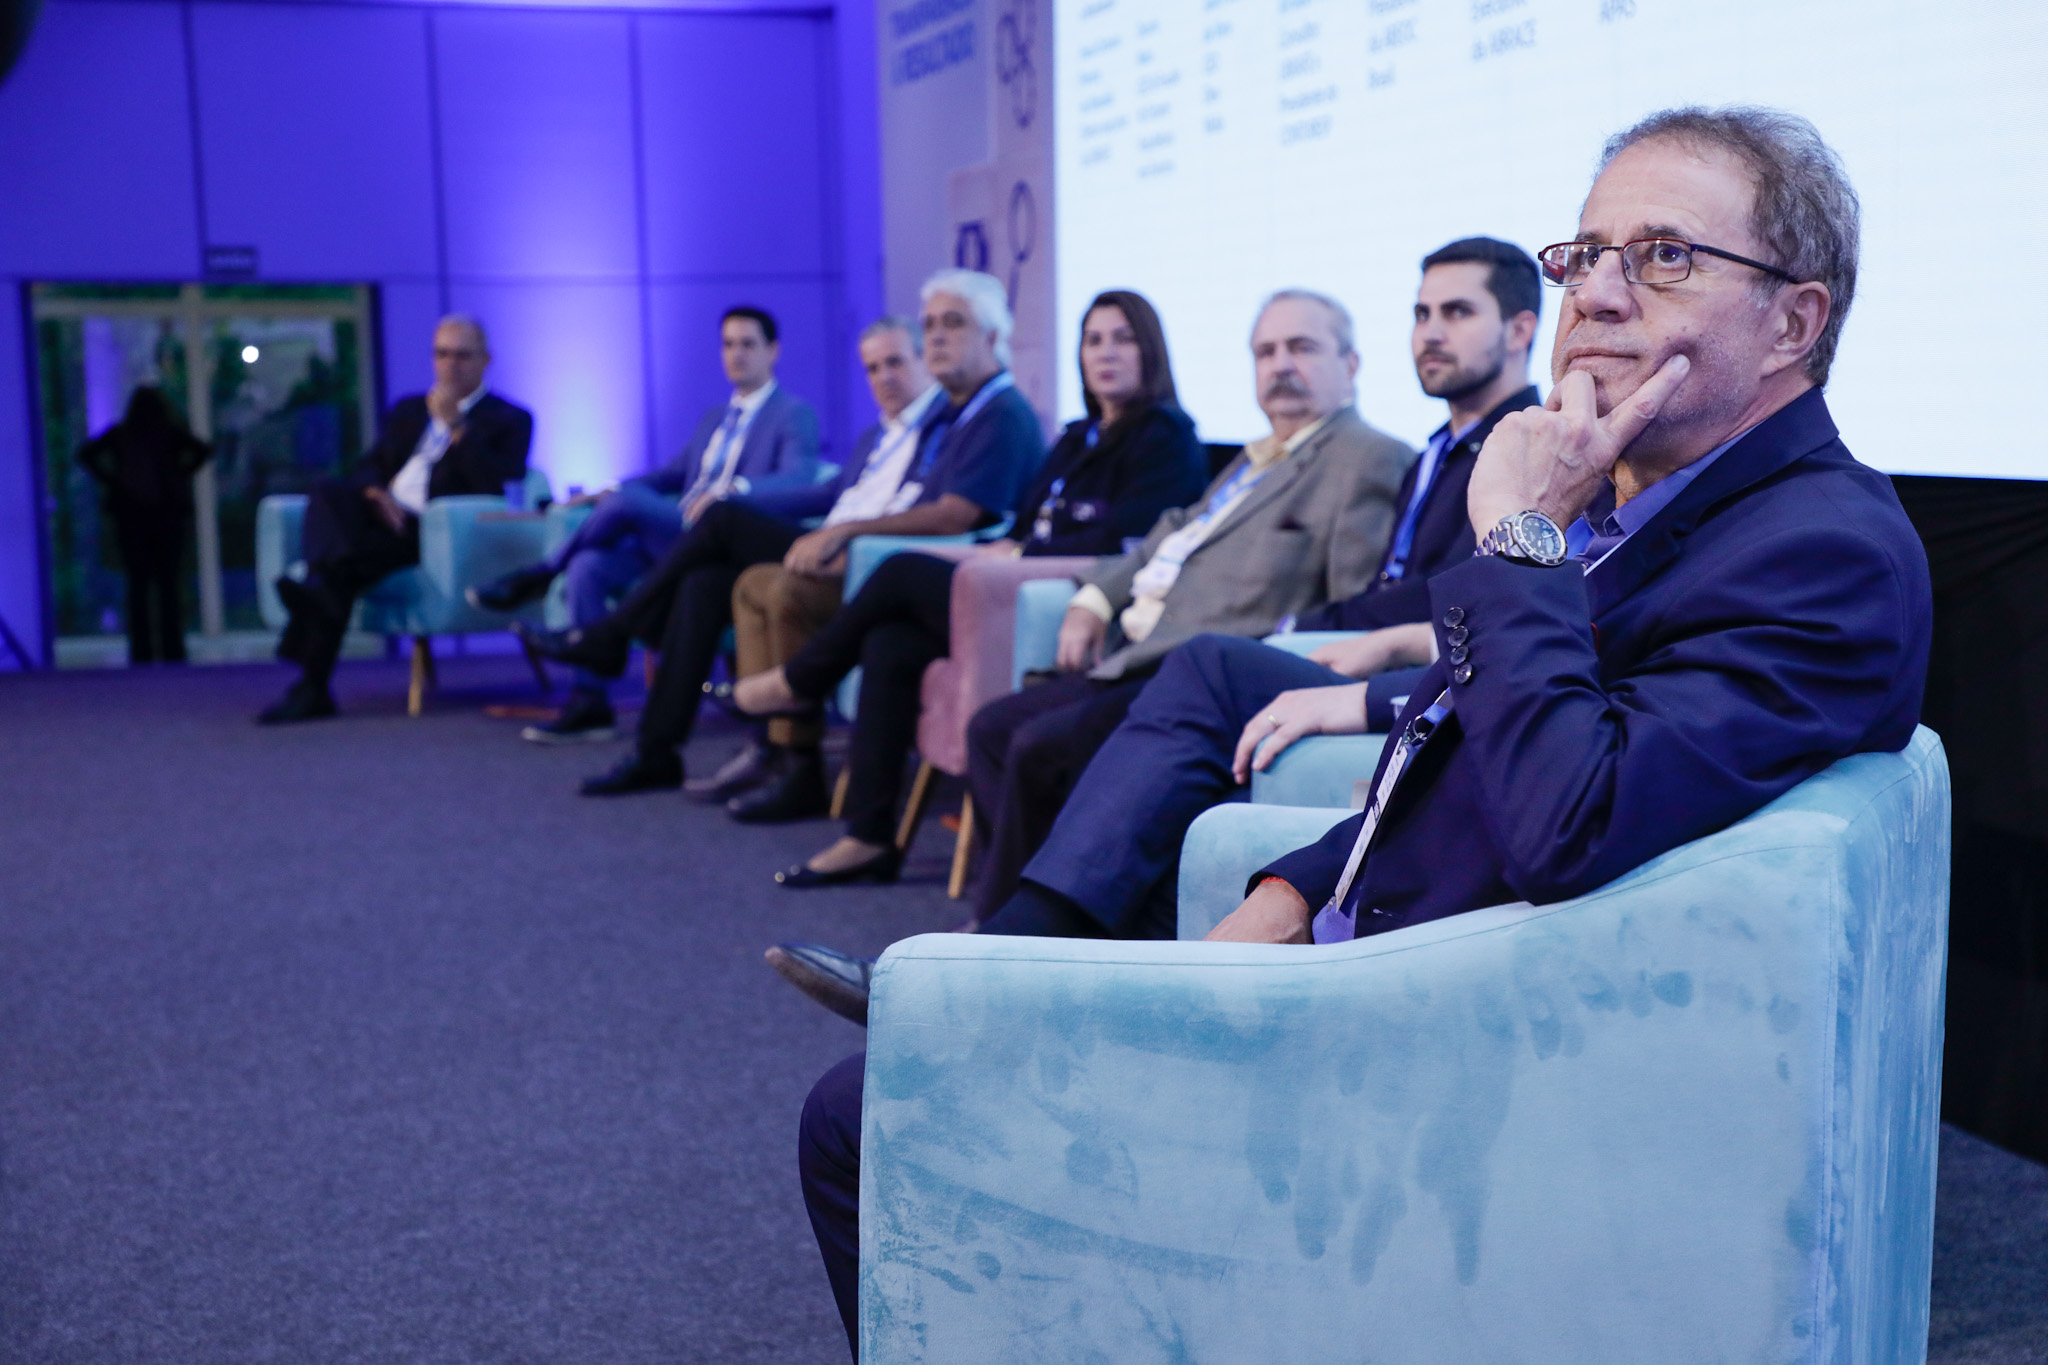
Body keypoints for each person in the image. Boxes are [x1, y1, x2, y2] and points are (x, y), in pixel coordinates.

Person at [791, 105, 1933, 1355]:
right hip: (1356, 968)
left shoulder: (1819, 553)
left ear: (1793, 322)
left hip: (1413, 1074)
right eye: (1584, 256)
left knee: (871, 1116)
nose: (1596, 296)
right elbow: (1467, 761)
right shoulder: (1658, 507)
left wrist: (1516, 535)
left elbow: (1573, 818)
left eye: (1663, 258)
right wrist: (1292, 886)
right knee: (888, 1085)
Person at [765, 238, 1546, 1017]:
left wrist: (1332, 634)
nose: (1431, 332)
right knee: (1016, 719)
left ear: (1519, 329)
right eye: (1419, 314)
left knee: (1197, 667)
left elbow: (1457, 603)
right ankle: (1024, 965)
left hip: (1397, 674)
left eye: (1456, 312)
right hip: (1319, 648)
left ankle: (1005, 960)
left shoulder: (1519, 451)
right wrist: (1096, 599)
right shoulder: (1434, 451)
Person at [948, 289, 1411, 926]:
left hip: (1206, 668)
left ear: (1351, 365)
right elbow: (1169, 534)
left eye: (1301, 348)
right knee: (994, 729)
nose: (1279, 365)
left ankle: (1003, 938)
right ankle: (1007, 921)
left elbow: (1351, 603)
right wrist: (1091, 597)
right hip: (1138, 652)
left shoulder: (1366, 458)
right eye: (1265, 351)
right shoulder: (1254, 461)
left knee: (1037, 746)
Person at [726, 289, 1209, 873]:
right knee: (891, 642)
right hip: (1010, 584)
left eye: (1123, 338)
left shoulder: (1168, 435)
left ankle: (801, 679)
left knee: (900, 571)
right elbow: (1027, 521)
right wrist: (1007, 549)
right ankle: (869, 836)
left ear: (1150, 351)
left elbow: (1126, 543)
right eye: (1094, 339)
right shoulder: (1078, 436)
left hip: (1066, 599)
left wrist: (1021, 552)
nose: (1106, 352)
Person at [518, 272, 1043, 796]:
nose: (886, 377)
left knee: (722, 523)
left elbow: (947, 513)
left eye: (898, 362)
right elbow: (829, 493)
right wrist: (747, 503)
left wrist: (799, 520)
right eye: (874, 368)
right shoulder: (883, 433)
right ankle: (658, 750)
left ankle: (615, 636)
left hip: (873, 558)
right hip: (847, 544)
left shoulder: (953, 421)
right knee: (706, 581)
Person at [469, 306, 819, 741]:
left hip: (719, 537)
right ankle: (590, 702)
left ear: (774, 351)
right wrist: (606, 491)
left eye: (748, 344)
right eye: (728, 344)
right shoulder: (715, 417)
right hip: (674, 534)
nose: (737, 354)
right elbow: (670, 474)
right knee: (589, 568)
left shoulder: (791, 413)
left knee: (625, 506)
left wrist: (735, 492)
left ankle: (541, 574)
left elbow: (800, 477)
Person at [258, 316, 533, 724]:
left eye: (462, 355)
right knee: (329, 491)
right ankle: (318, 594)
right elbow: (367, 466)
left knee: (335, 573)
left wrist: (458, 425)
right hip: (379, 519)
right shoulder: (408, 410)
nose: (450, 365)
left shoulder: (508, 419)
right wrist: (374, 492)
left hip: (431, 533)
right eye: (442, 354)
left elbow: (495, 484)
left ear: (485, 360)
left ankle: (312, 681)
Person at [75, 386, 212, 665]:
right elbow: (203, 451)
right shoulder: (168, 435)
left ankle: (142, 651)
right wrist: (179, 476)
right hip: (165, 517)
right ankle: (172, 649)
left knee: (138, 587)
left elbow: (86, 454)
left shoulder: (122, 435)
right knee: (168, 586)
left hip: (133, 518)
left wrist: (112, 480)